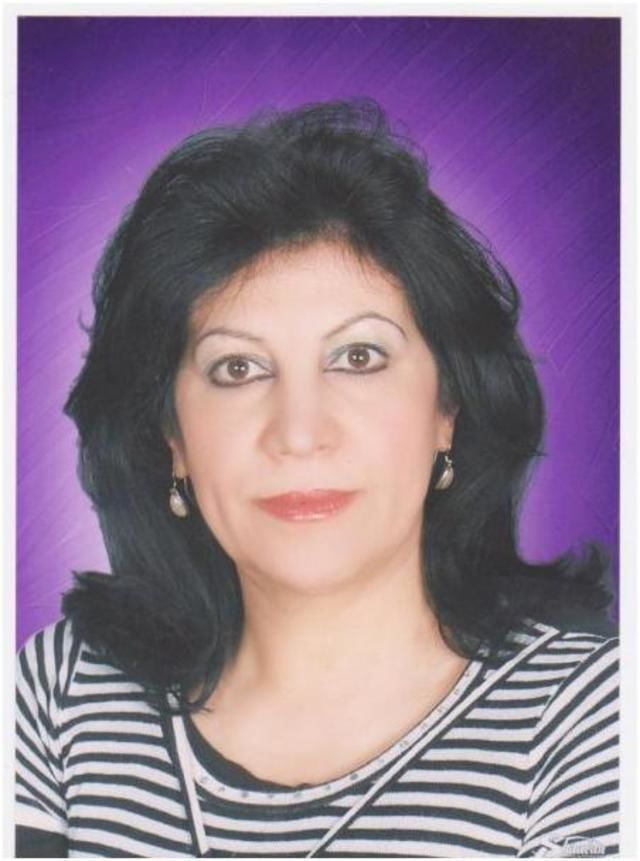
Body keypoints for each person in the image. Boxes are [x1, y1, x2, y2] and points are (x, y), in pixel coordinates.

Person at [15, 99, 619, 858]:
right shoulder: (64, 692)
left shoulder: (591, 717)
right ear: (172, 438)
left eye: (358, 358)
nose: (299, 432)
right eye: (238, 369)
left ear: (448, 410)